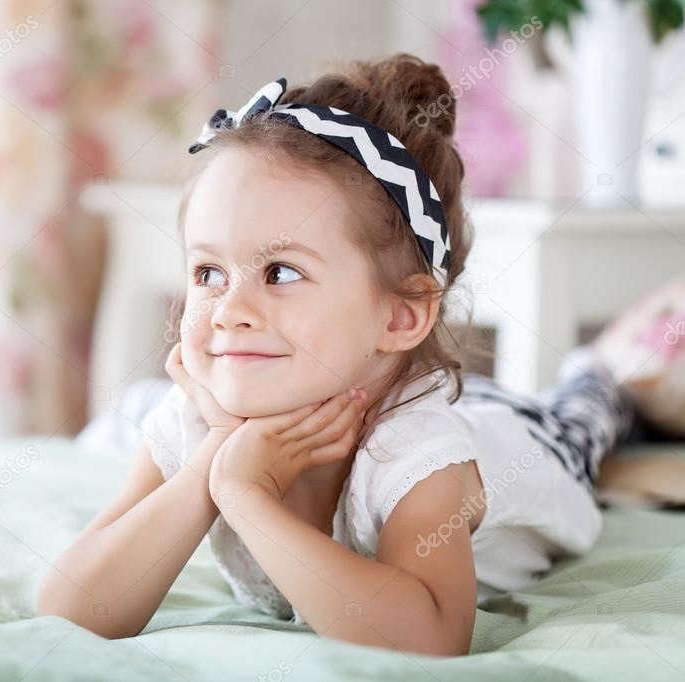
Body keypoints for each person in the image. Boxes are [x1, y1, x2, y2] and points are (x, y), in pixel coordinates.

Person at [36, 53, 637, 656]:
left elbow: (430, 638)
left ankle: (605, 371)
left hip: (528, 440)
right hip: (405, 389)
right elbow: (70, 608)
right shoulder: (195, 420)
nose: (227, 310)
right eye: (209, 271)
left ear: (401, 315)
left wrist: (247, 498)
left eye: (281, 271)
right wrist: (213, 464)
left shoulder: (415, 452)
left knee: (586, 412)